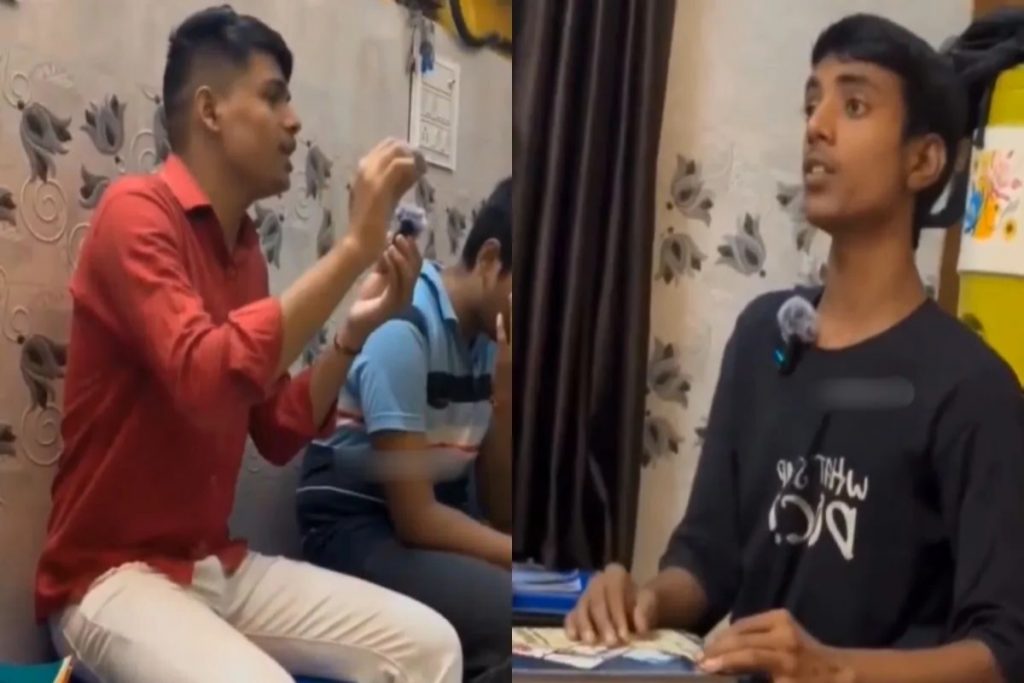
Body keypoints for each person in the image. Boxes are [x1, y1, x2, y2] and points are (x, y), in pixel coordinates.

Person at [567, 14, 1024, 683]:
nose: (817, 125)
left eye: (854, 104)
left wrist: (831, 669)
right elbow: (707, 561)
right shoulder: (763, 337)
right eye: (812, 102)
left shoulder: (973, 389)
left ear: (923, 160)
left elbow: (1003, 650)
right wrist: (644, 599)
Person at [35, 7, 462, 683]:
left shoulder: (246, 259)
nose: (294, 121)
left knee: (432, 646)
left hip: (212, 566)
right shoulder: (134, 214)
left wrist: (352, 334)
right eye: (273, 97)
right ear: (209, 110)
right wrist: (354, 248)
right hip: (107, 579)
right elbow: (203, 376)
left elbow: (279, 429)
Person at [296, 177, 513, 683]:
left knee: (534, 619)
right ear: (488, 260)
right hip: (354, 528)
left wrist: (505, 399)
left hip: (425, 528)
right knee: (511, 616)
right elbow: (415, 517)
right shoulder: (405, 326)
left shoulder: (491, 344)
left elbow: (500, 509)